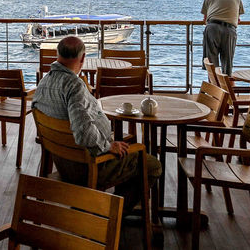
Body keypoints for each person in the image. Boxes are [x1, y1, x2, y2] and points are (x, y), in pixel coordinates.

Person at [32, 36, 161, 213]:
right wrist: (108, 146)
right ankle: (110, 218)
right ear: (83, 58)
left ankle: (105, 209)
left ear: (57, 55)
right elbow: (83, 133)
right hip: (88, 166)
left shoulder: (44, 83)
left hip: (63, 162)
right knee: (151, 164)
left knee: (130, 156)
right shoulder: (74, 86)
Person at [201, 0, 244, 75]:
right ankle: (227, 87)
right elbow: (238, 18)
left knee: (211, 62)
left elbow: (205, 17)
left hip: (213, 27)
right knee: (227, 62)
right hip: (230, 30)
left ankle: (214, 87)